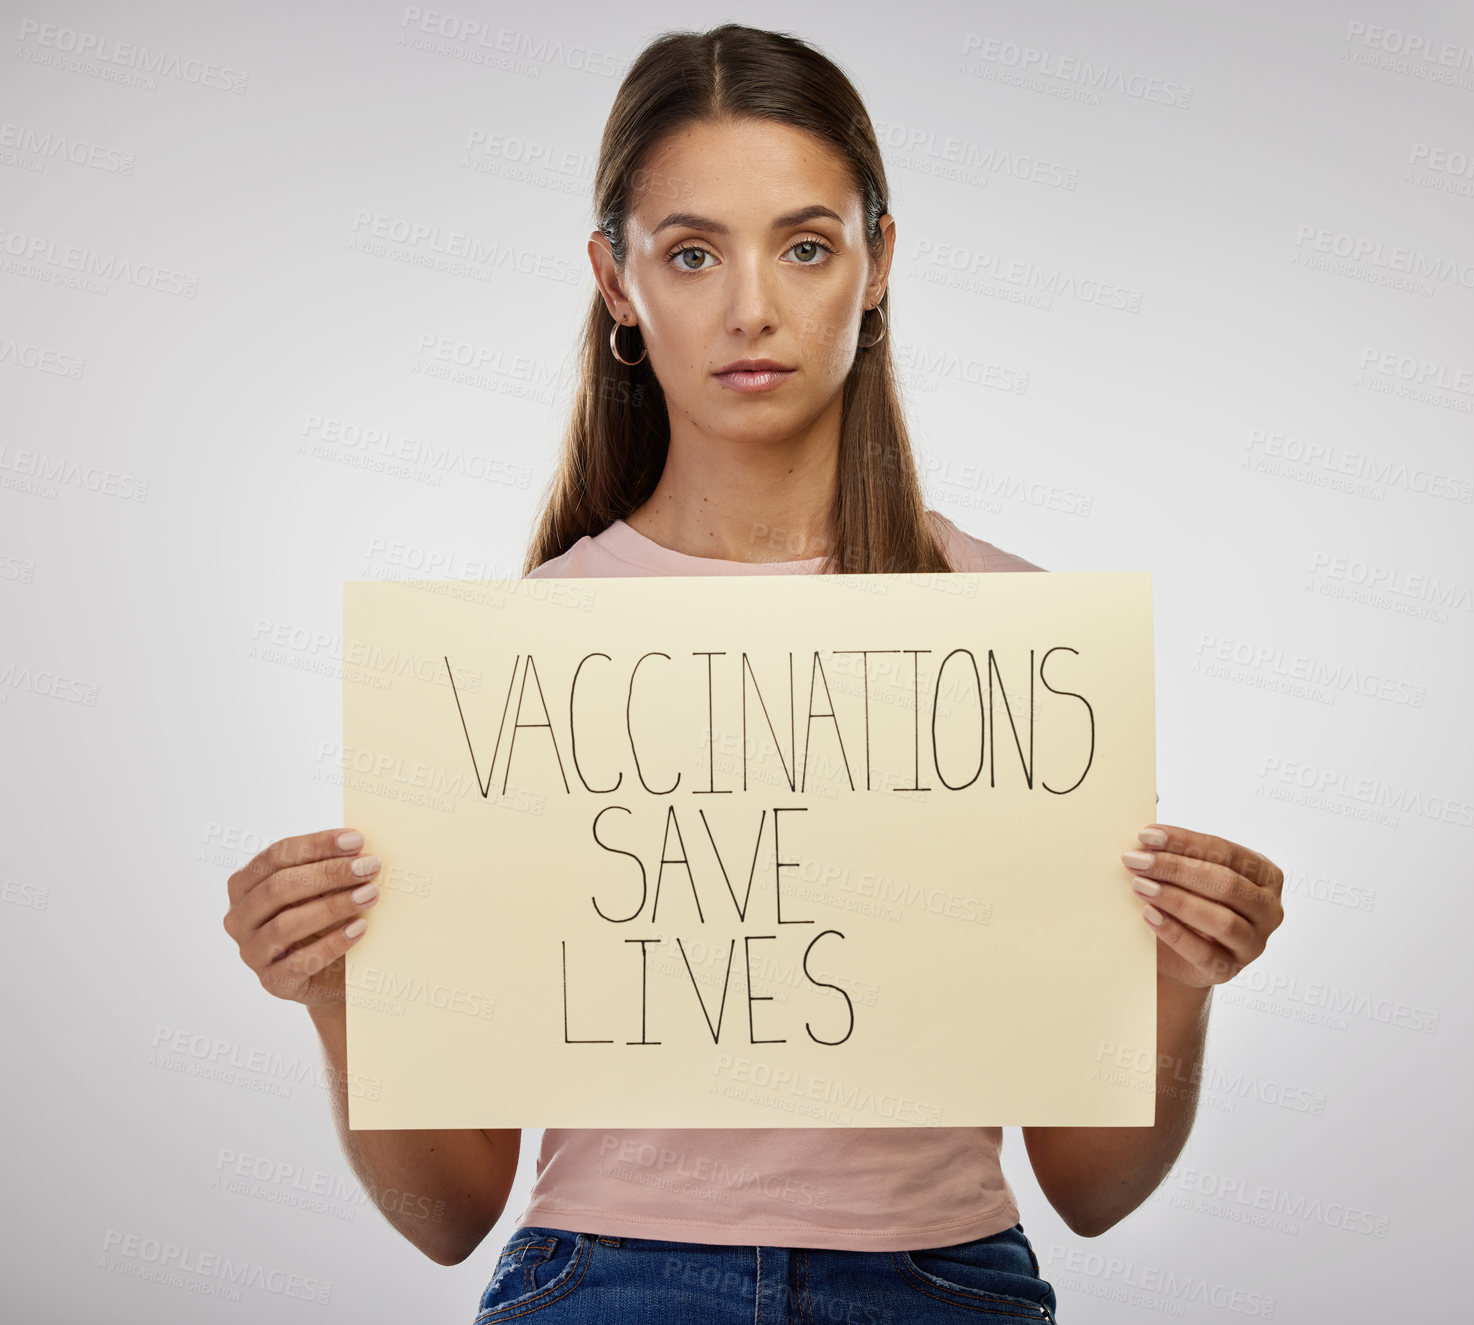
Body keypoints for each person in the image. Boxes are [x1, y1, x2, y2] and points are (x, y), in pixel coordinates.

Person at [223, 23, 1285, 1323]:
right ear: (618, 280)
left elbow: (1092, 1182)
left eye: (804, 243)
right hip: (600, 1283)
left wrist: (1182, 978)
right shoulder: (516, 664)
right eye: (690, 251)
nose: (751, 308)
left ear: (876, 262)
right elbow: (447, 1213)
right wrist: (335, 994)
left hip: (943, 1287)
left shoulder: (1014, 641)